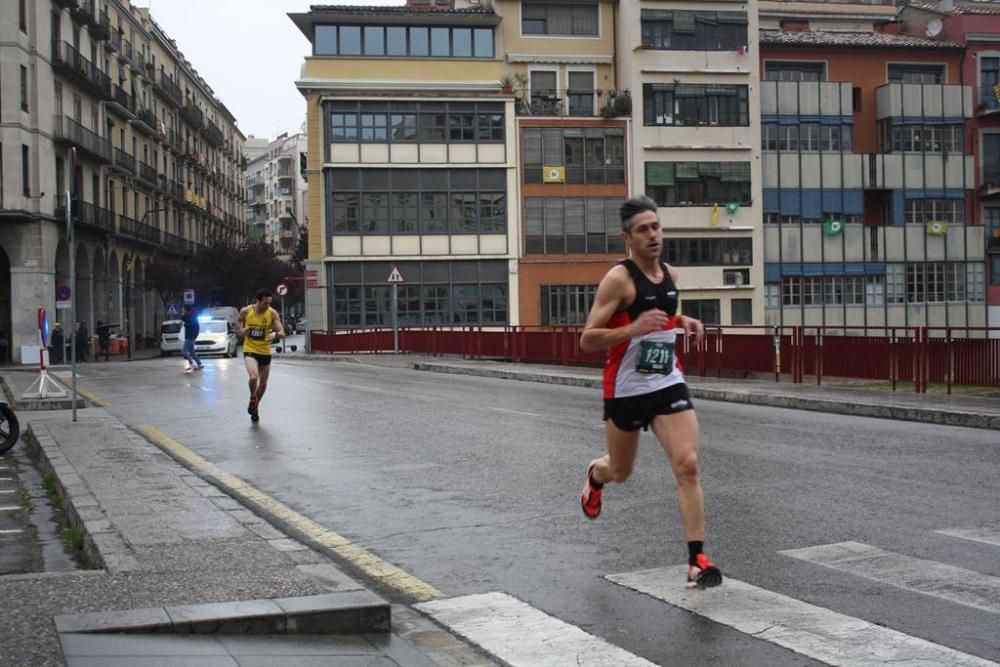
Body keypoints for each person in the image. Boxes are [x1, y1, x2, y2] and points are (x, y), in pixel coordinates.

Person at [578, 195, 722, 589]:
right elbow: (588, 339)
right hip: (625, 389)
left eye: (656, 226)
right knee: (621, 472)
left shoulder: (671, 276)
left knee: (688, 464)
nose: (653, 235)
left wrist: (682, 319)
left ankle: (696, 559)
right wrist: (632, 329)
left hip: (666, 382)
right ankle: (596, 474)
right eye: (643, 229)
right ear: (628, 238)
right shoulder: (618, 280)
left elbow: (661, 311)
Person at [236, 288, 285, 423]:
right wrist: (241, 330)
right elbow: (237, 322)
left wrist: (275, 334)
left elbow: (281, 331)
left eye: (269, 303)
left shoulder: (272, 313)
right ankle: (253, 397)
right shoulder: (246, 311)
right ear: (258, 301)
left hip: (265, 352)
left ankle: (255, 407)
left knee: (263, 384)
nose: (267, 306)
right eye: (265, 303)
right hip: (250, 349)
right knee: (253, 377)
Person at [180, 305, 203, 372]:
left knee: (184, 351)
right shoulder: (190, 315)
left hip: (190, 336)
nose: (182, 311)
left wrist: (185, 324)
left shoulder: (192, 316)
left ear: (186, 310)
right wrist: (183, 316)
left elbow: (192, 325)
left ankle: (192, 364)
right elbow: (185, 319)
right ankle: (199, 364)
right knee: (192, 352)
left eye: (183, 309)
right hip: (190, 336)